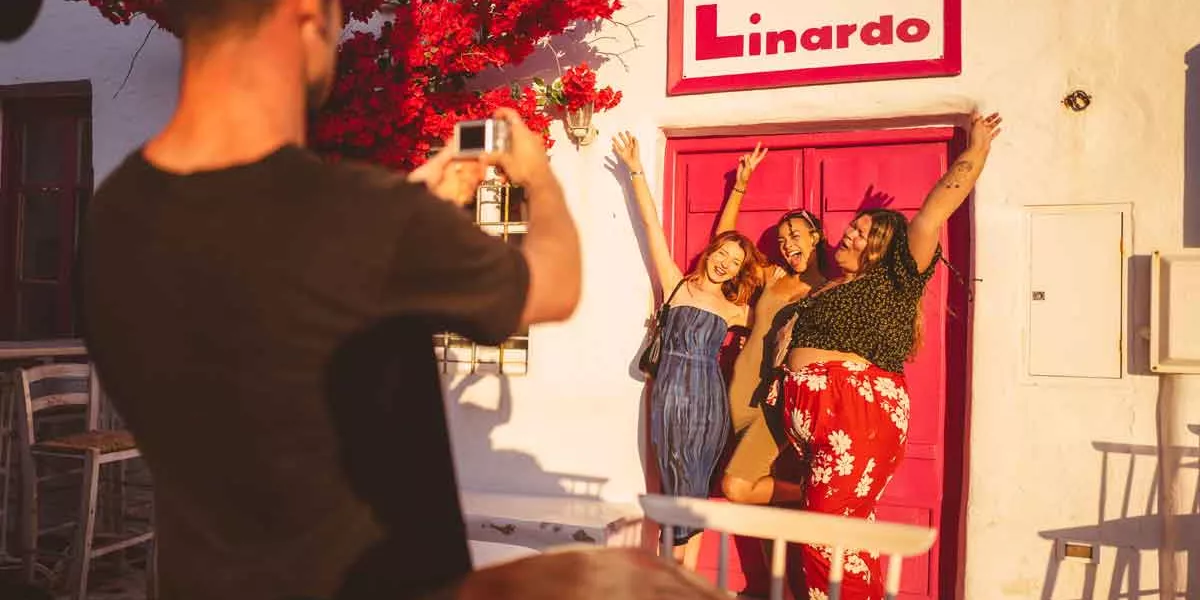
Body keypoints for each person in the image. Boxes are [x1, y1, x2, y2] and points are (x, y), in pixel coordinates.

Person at [78, 1, 581, 599]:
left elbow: (269, 269)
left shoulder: (114, 215)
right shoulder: (365, 219)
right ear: (307, 15)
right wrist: (539, 179)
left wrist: (411, 205)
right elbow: (553, 285)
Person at [760, 112, 1001, 599]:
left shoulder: (896, 279)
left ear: (884, 249)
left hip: (857, 412)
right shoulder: (829, 289)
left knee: (828, 538)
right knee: (844, 535)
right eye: (852, 226)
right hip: (822, 419)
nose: (848, 233)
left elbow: (936, 208)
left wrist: (976, 149)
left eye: (863, 231)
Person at [611, 131, 765, 570]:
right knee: (674, 480)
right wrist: (635, 169)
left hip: (708, 401)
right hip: (670, 393)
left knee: (694, 487)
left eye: (736, 262)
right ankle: (668, 575)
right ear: (712, 251)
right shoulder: (675, 283)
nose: (726, 264)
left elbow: (775, 323)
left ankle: (684, 579)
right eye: (723, 253)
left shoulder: (735, 309)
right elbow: (651, 225)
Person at [713, 144, 830, 507]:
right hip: (736, 398)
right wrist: (740, 186)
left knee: (736, 487)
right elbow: (724, 245)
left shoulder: (829, 290)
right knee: (762, 503)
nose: (786, 244)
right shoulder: (773, 276)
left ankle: (822, 498)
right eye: (781, 240)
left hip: (773, 405)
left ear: (816, 237)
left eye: (795, 235)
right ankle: (779, 566)